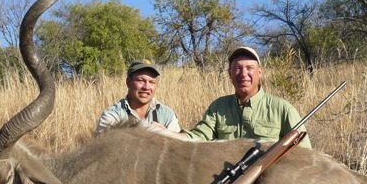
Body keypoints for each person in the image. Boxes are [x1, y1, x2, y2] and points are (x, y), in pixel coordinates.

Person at [182, 46, 312, 148]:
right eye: (237, 68)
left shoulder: (283, 109)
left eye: (249, 68)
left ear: (260, 73)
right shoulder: (218, 107)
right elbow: (199, 136)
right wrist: (170, 136)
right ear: (229, 74)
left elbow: (304, 154)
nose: (243, 74)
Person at [95, 60, 181, 135]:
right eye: (141, 80)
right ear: (128, 82)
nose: (146, 87)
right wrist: (157, 134)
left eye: (152, 82)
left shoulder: (167, 115)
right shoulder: (112, 115)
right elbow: (105, 148)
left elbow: (176, 147)